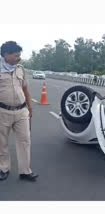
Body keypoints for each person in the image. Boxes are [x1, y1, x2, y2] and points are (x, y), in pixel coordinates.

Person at [0, 41, 38, 181]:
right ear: (6, 54)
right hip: (2, 111)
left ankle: (25, 171)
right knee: (1, 142)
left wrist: (30, 107)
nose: (19, 58)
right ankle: (4, 168)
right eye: (16, 55)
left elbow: (25, 89)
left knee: (25, 141)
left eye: (19, 55)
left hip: (21, 111)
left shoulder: (20, 69)